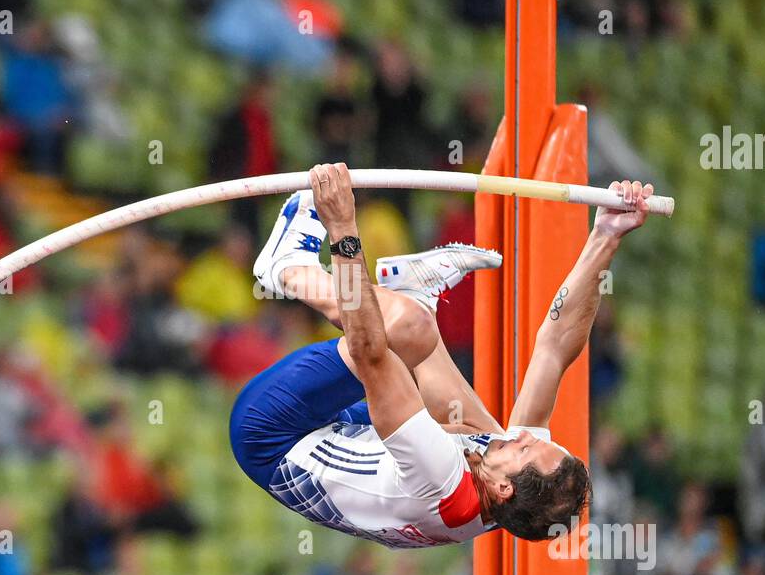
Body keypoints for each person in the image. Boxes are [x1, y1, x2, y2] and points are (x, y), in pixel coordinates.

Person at [229, 162, 653, 548]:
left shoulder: (439, 481)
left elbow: (369, 349)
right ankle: (419, 300)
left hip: (273, 435)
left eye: (525, 450)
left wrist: (342, 227)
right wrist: (606, 237)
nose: (526, 435)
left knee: (403, 328)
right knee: (474, 425)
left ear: (504, 488)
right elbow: (555, 349)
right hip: (353, 436)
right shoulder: (516, 488)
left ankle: (288, 269)